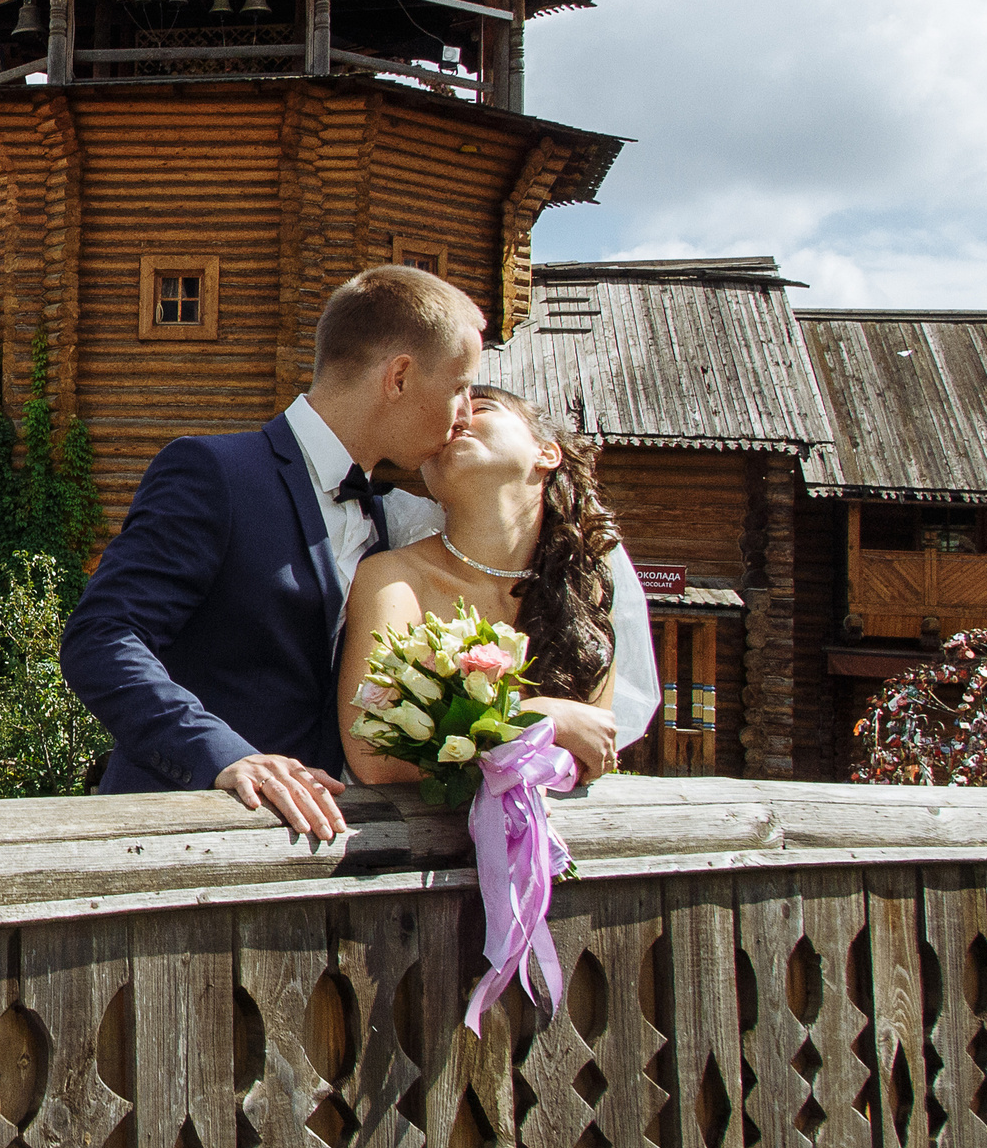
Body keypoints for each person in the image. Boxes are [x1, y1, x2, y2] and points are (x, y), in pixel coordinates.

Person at [59, 266, 653, 840]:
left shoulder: (389, 517)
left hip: (324, 860)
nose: (463, 413)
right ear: (398, 378)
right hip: (182, 832)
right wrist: (224, 757)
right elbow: (103, 637)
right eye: (459, 387)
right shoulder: (217, 472)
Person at [339, 385, 621, 786]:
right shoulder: (393, 580)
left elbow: (591, 752)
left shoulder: (581, 591)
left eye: (482, 407)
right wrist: (539, 717)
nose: (457, 422)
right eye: (443, 425)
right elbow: (373, 758)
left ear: (547, 452)